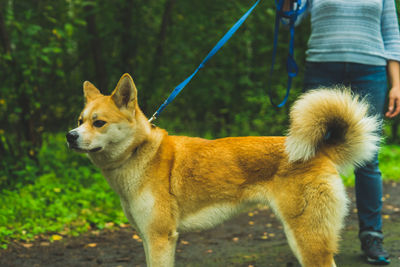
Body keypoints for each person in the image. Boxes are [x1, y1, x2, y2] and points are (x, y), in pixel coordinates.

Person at [282, 0, 400, 265]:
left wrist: (397, 84)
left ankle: (372, 235)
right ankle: (308, 242)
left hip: (370, 71)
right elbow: (289, 19)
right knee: (310, 156)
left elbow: (392, 36)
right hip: (322, 68)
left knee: (368, 158)